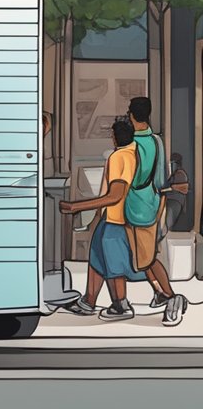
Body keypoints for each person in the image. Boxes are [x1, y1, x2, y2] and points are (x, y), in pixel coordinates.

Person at [60, 119, 141, 321]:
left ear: (115, 137)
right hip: (113, 217)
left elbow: (115, 195)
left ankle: (121, 304)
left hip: (117, 217)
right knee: (97, 255)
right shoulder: (134, 153)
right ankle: (89, 301)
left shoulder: (119, 157)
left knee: (114, 261)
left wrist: (75, 206)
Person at [125, 97, 186, 326]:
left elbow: (129, 178)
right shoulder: (157, 141)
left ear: (131, 115)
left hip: (134, 206)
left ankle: (172, 296)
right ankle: (160, 291)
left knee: (146, 258)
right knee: (144, 255)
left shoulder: (130, 144)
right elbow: (161, 179)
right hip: (154, 203)